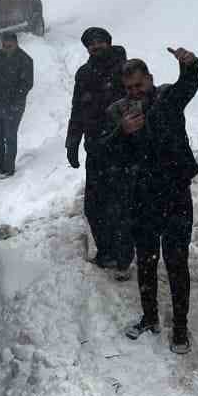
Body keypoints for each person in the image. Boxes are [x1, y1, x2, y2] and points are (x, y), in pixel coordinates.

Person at [102, 48, 198, 355]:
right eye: (130, 88)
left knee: (176, 261)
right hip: (141, 197)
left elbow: (187, 87)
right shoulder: (120, 113)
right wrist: (123, 132)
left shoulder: (167, 100)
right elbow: (107, 153)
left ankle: (181, 327)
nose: (135, 92)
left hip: (174, 194)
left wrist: (190, 66)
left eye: (139, 85)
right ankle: (149, 316)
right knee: (145, 261)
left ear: (150, 80)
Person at [65, 27, 132, 273]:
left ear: (108, 42)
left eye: (99, 41)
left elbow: (139, 100)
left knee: (122, 204)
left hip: (124, 148)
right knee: (95, 205)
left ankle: (123, 258)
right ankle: (106, 252)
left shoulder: (125, 69)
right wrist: (72, 141)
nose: (95, 46)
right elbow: (77, 109)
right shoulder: (84, 74)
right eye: (90, 43)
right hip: (96, 149)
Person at [0, 30, 33, 177]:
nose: (6, 46)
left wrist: (15, 100)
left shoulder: (25, 59)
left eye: (9, 44)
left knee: (9, 135)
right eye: (4, 44)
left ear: (16, 43)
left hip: (14, 105)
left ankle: (9, 167)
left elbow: (27, 84)